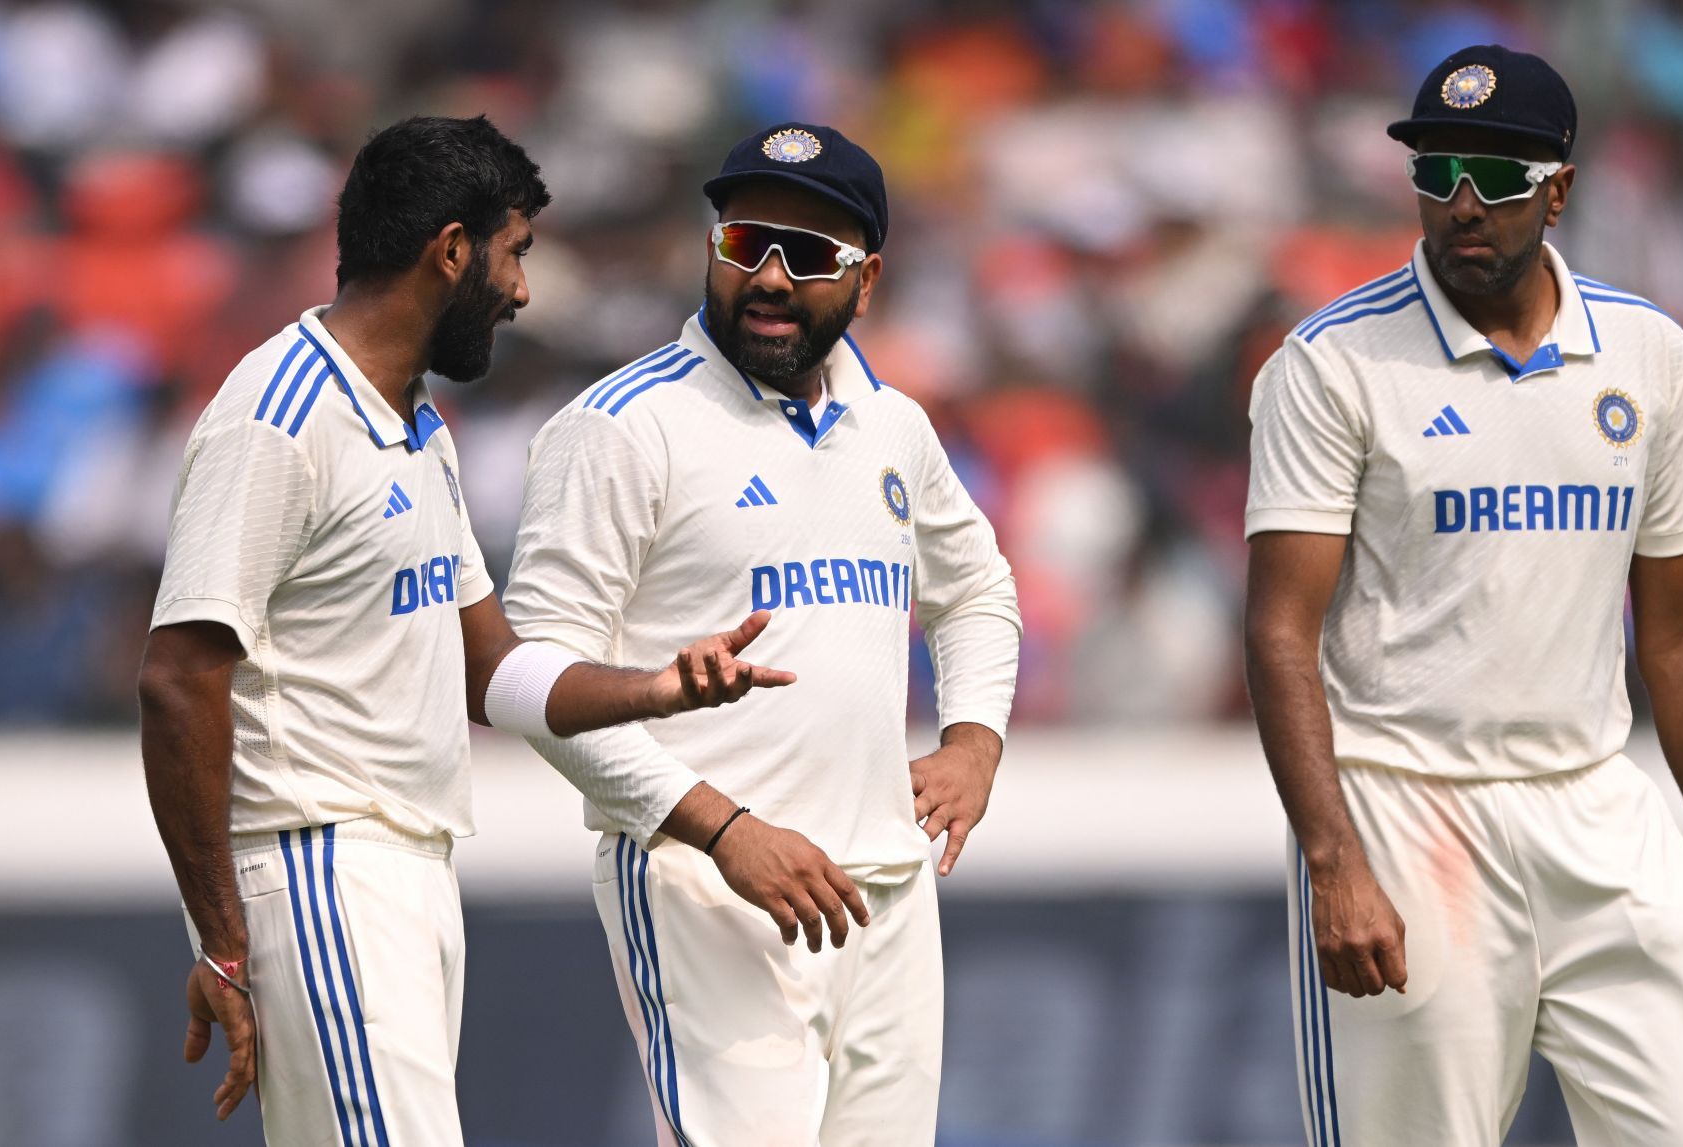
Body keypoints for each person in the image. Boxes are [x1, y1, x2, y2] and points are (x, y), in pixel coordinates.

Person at [138, 114, 833, 1146]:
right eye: (515, 254)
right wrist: (225, 945)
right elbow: (178, 678)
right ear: (452, 250)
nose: (519, 290)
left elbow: (492, 675)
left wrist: (654, 687)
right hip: (322, 862)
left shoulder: (414, 423)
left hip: (411, 865)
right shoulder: (278, 419)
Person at [1242, 46, 1683, 1146]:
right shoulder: (1333, 361)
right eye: (1438, 174)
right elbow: (1280, 628)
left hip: (1597, 808)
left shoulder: (1647, 352)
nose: (1463, 205)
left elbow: (1678, 634)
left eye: (1495, 174)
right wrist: (1335, 862)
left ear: (1561, 189)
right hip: (1406, 811)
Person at [501, 122, 1022, 1145]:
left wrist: (974, 739)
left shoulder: (892, 426)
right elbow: (531, 680)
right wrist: (725, 830)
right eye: (746, 245)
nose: (772, 278)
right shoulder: (621, 427)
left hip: (884, 885)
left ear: (867, 280)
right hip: (708, 888)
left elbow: (978, 593)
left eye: (811, 255)